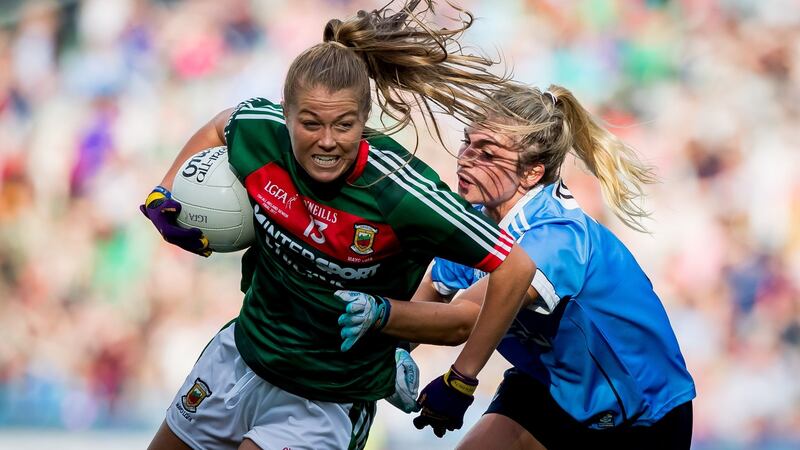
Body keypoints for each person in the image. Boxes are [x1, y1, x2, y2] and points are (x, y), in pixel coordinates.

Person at [139, 1, 535, 449]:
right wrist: (163, 191)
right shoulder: (260, 130)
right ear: (285, 112)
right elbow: (221, 125)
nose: (327, 141)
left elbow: (515, 268)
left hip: (325, 401)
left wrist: (463, 378)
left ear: (364, 119)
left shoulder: (402, 192)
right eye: (309, 123)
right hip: (239, 357)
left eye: (344, 125)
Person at [336, 83, 696, 449]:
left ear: (531, 174)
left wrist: (381, 316)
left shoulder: (556, 237)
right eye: (467, 142)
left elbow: (462, 319)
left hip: (639, 412)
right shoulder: (478, 220)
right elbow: (432, 294)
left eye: (488, 154)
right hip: (547, 384)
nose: (465, 158)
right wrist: (390, 354)